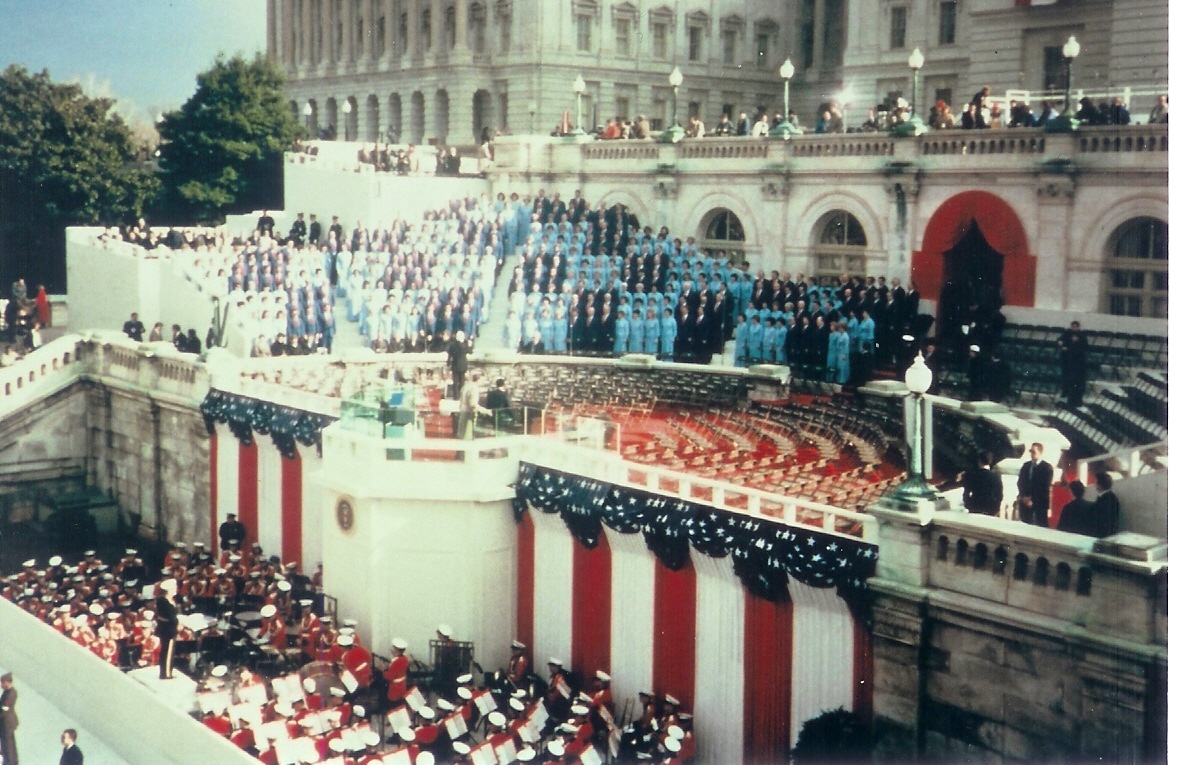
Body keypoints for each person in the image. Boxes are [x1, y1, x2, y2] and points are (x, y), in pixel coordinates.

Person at [1016, 442, 1054, 528]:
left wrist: (1032, 499)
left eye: (1034, 452)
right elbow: (1020, 482)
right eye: (1030, 452)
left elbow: (1045, 486)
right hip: (1025, 502)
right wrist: (1024, 496)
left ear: (1040, 453)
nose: (1031, 454)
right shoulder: (1026, 466)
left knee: (1040, 526)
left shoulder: (1047, 468)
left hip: (1039, 503)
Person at [1056, 320, 1089, 408]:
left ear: (1078, 327)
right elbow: (1060, 340)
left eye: (1075, 326)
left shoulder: (1082, 335)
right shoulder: (1067, 333)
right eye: (1072, 326)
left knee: (1076, 380)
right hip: (1067, 360)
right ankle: (1065, 395)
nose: (1073, 328)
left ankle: (1075, 401)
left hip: (1077, 361)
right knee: (1066, 378)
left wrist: (1074, 345)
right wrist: (1060, 343)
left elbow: (1084, 346)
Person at [962, 451, 1003, 516]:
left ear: (979, 461)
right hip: (990, 507)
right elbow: (999, 495)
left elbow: (966, 493)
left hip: (975, 506)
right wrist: (996, 508)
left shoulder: (971, 475)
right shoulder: (996, 476)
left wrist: (968, 504)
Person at [155, 579, 179, 679]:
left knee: (168, 651)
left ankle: (167, 671)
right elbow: (168, 616)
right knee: (167, 652)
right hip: (166, 630)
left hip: (171, 629)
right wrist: (176, 620)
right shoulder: (162, 601)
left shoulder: (172, 600)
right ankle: (166, 673)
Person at [457, 372, 491, 439]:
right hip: (469, 415)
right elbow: (473, 404)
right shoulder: (474, 388)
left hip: (462, 412)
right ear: (479, 379)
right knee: (467, 437)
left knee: (461, 436)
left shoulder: (466, 386)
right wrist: (485, 411)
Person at [1091, 471, 1121, 537]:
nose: (1094, 485)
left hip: (1104, 534)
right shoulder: (1111, 497)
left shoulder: (1106, 499)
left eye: (1096, 482)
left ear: (1100, 484)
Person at [446, 330, 469, 399]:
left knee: (455, 382)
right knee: (462, 382)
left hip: (455, 365)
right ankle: (462, 396)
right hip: (463, 365)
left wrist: (448, 364)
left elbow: (449, 356)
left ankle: (456, 397)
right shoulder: (464, 345)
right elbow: (469, 351)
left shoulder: (452, 345)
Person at [0, 672, 17, 765]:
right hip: (5, 723)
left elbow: (5, 709)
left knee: (8, 745)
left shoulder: (11, 693)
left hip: (7, 723)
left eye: (2, 682)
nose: (1, 685)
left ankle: (10, 762)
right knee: (5, 743)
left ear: (8, 682)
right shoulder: (6, 692)